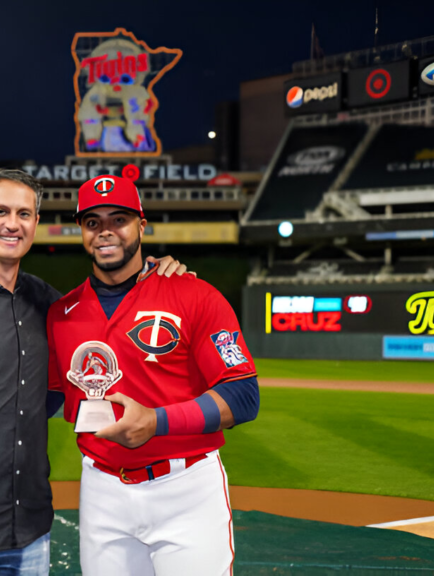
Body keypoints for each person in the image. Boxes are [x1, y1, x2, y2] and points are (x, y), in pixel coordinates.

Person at [0, 168, 189, 576]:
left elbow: (106, 329)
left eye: (24, 214)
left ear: (36, 224)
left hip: (28, 532)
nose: (12, 224)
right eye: (0, 211)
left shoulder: (51, 305)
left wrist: (159, 278)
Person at [46, 174, 261, 576]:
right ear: (81, 230)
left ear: (141, 226)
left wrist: (155, 421)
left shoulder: (194, 294)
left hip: (186, 488)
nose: (105, 232)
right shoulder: (62, 314)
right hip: (102, 490)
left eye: (119, 220)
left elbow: (244, 395)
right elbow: (47, 396)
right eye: (93, 222)